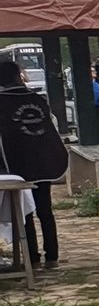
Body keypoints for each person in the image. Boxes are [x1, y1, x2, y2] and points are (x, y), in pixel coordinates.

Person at [0, 58, 67, 271]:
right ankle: (52, 257)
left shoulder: (1, 101)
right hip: (45, 160)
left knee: (25, 212)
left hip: (17, 163)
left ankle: (32, 258)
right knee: (45, 210)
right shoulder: (37, 99)